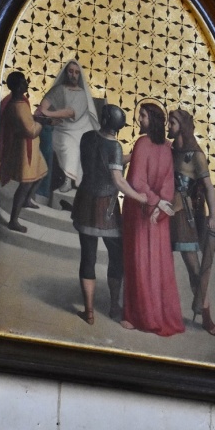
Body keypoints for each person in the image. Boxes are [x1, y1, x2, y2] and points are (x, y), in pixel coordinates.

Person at [71, 104, 147, 325]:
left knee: (88, 257)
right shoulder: (114, 146)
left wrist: (130, 156)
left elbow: (104, 160)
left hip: (84, 201)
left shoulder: (87, 137)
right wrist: (140, 197)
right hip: (107, 208)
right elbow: (117, 179)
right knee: (116, 257)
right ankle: (114, 306)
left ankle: (89, 312)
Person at [121, 102, 185, 337]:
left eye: (143, 116)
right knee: (156, 265)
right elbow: (168, 183)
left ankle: (136, 316)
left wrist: (155, 202)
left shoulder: (142, 144)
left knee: (138, 262)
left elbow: (136, 182)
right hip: (158, 214)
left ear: (153, 121)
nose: (139, 120)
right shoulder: (166, 148)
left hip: (140, 212)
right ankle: (155, 314)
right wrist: (161, 203)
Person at [167, 108, 215, 336]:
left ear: (183, 127)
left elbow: (208, 187)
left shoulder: (195, 155)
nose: (169, 127)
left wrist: (212, 216)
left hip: (184, 216)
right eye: (169, 123)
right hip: (164, 212)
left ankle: (206, 315)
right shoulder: (170, 150)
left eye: (173, 123)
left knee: (194, 270)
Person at [35, 60, 100, 192]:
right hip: (61, 128)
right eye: (70, 71)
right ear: (66, 73)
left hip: (81, 128)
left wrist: (49, 113)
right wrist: (46, 114)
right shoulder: (58, 90)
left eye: (76, 72)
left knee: (76, 145)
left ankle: (72, 180)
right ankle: (60, 181)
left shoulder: (82, 94)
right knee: (60, 142)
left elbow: (71, 112)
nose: (73, 75)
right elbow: (42, 107)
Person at [0, 71, 48, 232]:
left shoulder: (21, 101)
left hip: (31, 147)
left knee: (42, 173)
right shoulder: (17, 106)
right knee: (25, 184)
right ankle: (14, 220)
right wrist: (41, 123)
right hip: (24, 150)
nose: (27, 83)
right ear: (19, 87)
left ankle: (26, 200)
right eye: (24, 82)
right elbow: (31, 131)